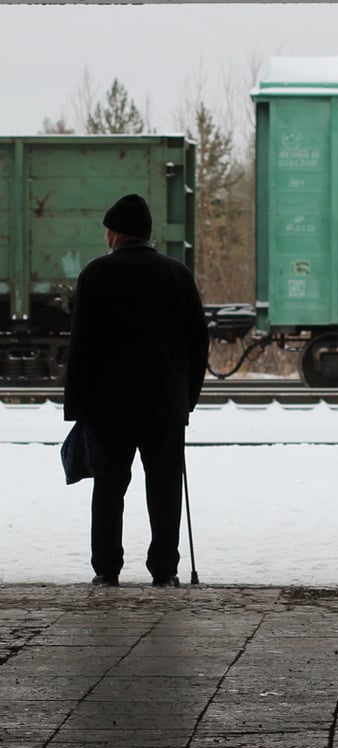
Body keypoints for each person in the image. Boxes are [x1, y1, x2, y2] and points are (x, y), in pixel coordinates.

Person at [63, 194, 210, 587]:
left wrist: (77, 406)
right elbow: (199, 343)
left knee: (108, 490)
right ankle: (165, 570)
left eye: (107, 230)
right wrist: (187, 398)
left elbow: (81, 346)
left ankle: (106, 569)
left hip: (108, 408)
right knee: (164, 489)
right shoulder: (176, 274)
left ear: (115, 232)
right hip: (164, 406)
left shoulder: (95, 275)